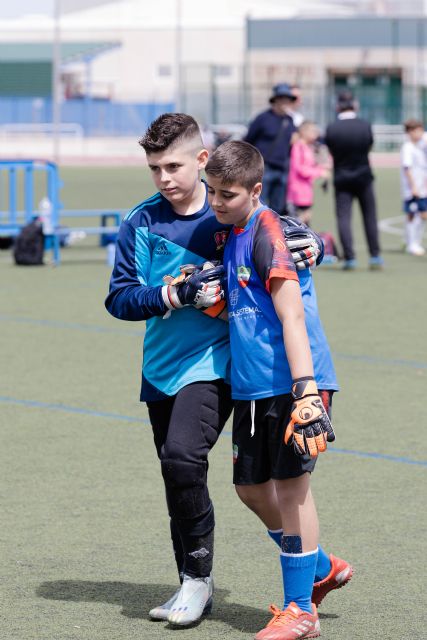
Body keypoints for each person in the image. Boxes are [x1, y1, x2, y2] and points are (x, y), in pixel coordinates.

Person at [104, 113, 323, 627]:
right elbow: (118, 297)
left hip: (223, 364)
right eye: (154, 168)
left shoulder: (228, 209)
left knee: (184, 456)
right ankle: (315, 561)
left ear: (202, 160)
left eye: (174, 166)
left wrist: (317, 245)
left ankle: (196, 583)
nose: (164, 178)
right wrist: (171, 294)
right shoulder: (142, 221)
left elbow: (284, 237)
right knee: (178, 472)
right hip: (161, 368)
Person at [205, 140, 352, 640]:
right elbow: (250, 308)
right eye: (212, 192)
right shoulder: (233, 234)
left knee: (292, 491)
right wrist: (209, 303)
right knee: (250, 489)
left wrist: (307, 392)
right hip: (250, 387)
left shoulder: (270, 232)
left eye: (228, 193)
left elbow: (290, 315)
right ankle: (319, 568)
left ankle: (299, 611)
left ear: (255, 189)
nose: (217, 202)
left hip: (292, 382)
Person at [325, 90, 383, 270]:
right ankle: (375, 256)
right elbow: (369, 145)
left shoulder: (332, 128)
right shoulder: (364, 125)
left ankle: (350, 257)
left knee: (344, 217)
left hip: (342, 176)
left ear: (337, 107)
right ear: (355, 105)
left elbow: (331, 150)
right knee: (369, 216)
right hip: (364, 175)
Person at [244, 83, 296, 214]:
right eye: (282, 98)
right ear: (275, 100)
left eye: (288, 99)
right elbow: (248, 140)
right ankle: (257, 232)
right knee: (259, 203)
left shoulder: (290, 121)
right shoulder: (262, 118)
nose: (285, 102)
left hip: (283, 168)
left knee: (278, 207)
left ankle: (274, 233)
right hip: (264, 167)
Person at [287, 121, 330, 225]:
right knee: (297, 225)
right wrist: (320, 172)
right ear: (304, 132)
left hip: (306, 192)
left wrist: (322, 167)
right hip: (297, 192)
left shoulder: (308, 147)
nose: (316, 134)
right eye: (313, 131)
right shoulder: (298, 147)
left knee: (305, 225)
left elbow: (310, 165)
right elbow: (299, 169)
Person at [400, 118, 427, 256]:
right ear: (410, 132)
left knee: (422, 215)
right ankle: (412, 243)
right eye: (417, 131)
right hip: (412, 188)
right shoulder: (408, 147)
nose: (420, 133)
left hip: (423, 187)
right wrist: (413, 187)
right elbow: (407, 169)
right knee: (413, 214)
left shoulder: (421, 144)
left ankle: (410, 240)